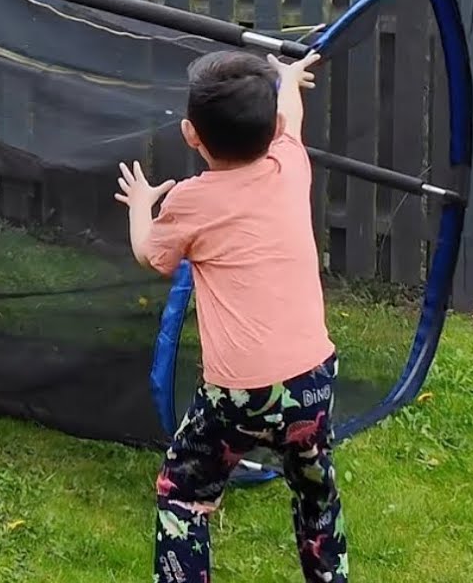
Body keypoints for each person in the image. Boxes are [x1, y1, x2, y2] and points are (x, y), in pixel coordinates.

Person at [115, 50, 348, 582]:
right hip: (312, 379)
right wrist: (287, 78)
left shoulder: (191, 202)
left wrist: (140, 204)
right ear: (274, 128)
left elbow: (150, 254)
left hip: (236, 396)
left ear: (190, 134)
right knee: (317, 495)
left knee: (184, 498)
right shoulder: (291, 164)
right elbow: (291, 112)